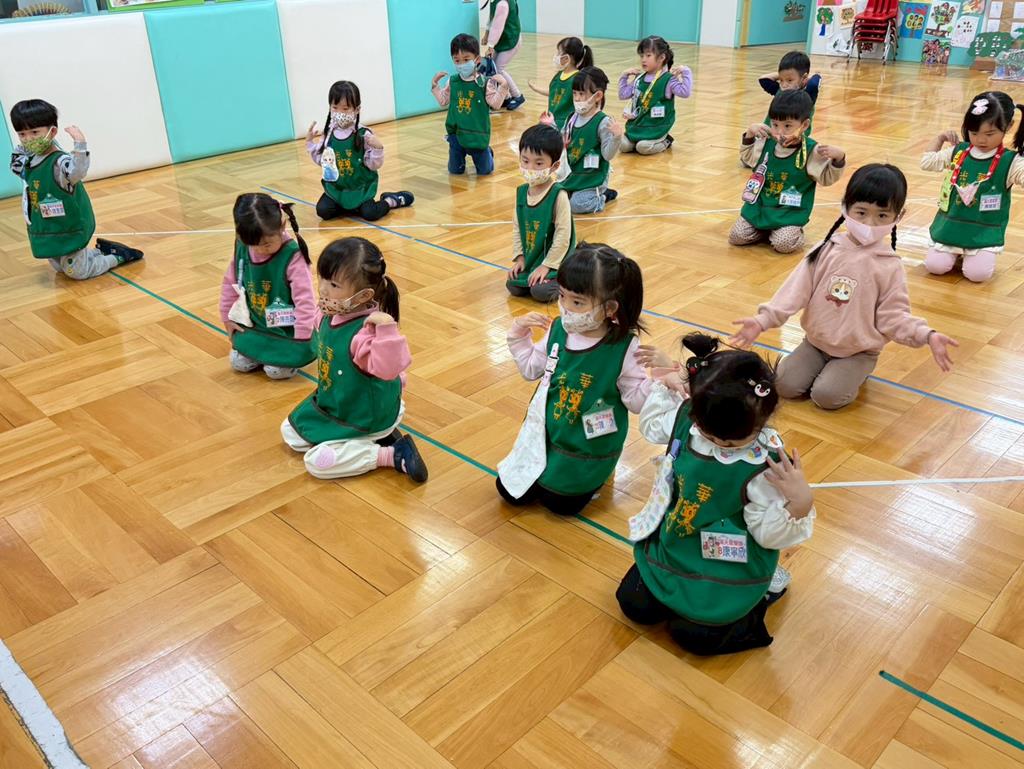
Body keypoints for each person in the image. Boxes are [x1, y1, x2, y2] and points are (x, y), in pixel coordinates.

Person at [619, 333, 815, 656]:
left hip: (728, 561)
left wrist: (799, 504)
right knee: (633, 603)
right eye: (709, 435)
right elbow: (652, 427)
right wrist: (666, 384)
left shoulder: (766, 463)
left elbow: (767, 535)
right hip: (678, 542)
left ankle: (764, 591)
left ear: (762, 421)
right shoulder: (692, 417)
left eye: (732, 442)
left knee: (695, 637)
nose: (719, 445)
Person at [730, 164, 958, 410]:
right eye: (861, 212)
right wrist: (763, 320)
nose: (869, 222)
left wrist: (926, 335)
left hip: (858, 352)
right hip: (815, 344)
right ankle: (827, 369)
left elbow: (894, 317)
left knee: (826, 396)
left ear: (898, 216)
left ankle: (857, 371)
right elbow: (794, 292)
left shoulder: (889, 265)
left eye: (882, 216)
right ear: (845, 207)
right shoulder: (826, 249)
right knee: (784, 385)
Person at [497, 243, 649, 515]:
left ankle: (597, 474)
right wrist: (518, 334)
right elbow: (531, 369)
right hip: (547, 437)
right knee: (509, 492)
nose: (565, 307)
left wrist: (656, 383)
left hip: (588, 446)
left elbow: (636, 402)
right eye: (562, 296)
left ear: (610, 308)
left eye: (577, 302)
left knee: (560, 505)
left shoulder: (624, 347)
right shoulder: (558, 330)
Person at [281, 237, 427, 482]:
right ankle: (364, 442)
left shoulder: (365, 332)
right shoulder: (328, 312)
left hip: (365, 415)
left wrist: (387, 329)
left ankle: (392, 454)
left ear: (363, 296)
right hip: (338, 403)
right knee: (290, 433)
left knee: (317, 463)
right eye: (322, 278)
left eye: (334, 284)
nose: (323, 289)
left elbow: (390, 370)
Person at [9, 99, 143, 279]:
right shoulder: (29, 161)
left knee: (77, 272)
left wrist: (79, 144)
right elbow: (16, 167)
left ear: (52, 132)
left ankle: (119, 256)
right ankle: (98, 253)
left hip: (69, 225)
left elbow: (78, 171)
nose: (28, 139)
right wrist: (23, 150)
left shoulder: (60, 162)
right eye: (22, 134)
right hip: (47, 225)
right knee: (59, 267)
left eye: (34, 132)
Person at [921, 90, 1024, 283]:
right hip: (950, 226)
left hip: (984, 231)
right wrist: (940, 138)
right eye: (974, 133)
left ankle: (970, 253)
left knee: (977, 275)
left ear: (1009, 126)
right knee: (935, 267)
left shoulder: (1011, 161)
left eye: (990, 134)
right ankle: (956, 251)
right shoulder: (959, 151)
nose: (981, 140)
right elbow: (927, 163)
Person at [730, 90, 846, 254]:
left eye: (787, 126)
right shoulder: (766, 142)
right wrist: (749, 134)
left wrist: (839, 159)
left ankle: (789, 232)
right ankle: (765, 231)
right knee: (737, 236)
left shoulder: (811, 151)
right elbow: (748, 158)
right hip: (760, 208)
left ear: (804, 125)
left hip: (790, 212)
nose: (780, 132)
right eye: (775, 124)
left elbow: (826, 178)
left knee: (783, 244)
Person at [221, 193, 316, 379]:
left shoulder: (293, 256)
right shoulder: (243, 246)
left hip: (286, 330)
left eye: (266, 244)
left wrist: (301, 339)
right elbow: (229, 283)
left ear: (282, 226)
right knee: (238, 363)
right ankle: (262, 351)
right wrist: (227, 318)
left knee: (276, 372)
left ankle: (278, 356)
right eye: (253, 245)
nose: (259, 250)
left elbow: (305, 301)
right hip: (257, 324)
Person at [307, 80, 413, 222]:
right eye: (335, 107)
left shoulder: (364, 134)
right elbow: (322, 162)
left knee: (370, 213)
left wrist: (378, 148)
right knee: (323, 211)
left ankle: (391, 200)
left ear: (356, 109)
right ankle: (349, 207)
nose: (339, 113)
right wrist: (310, 143)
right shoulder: (328, 134)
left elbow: (374, 165)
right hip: (337, 189)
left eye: (345, 109)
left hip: (361, 189)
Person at [507, 124, 576, 302]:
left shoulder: (558, 194)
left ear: (554, 166)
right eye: (525, 161)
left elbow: (563, 235)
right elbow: (517, 228)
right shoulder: (521, 192)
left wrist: (547, 266)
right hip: (533, 258)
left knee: (540, 291)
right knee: (513, 285)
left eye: (539, 163)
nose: (530, 168)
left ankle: (565, 281)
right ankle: (534, 272)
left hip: (556, 260)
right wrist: (520, 258)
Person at [432, 34, 510, 175]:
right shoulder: (453, 81)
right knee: (455, 170)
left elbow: (496, 104)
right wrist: (435, 86)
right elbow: (443, 101)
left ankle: (487, 152)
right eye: (457, 60)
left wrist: (503, 86)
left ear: (477, 60)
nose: (461, 64)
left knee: (485, 171)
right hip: (456, 134)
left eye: (466, 59)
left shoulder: (485, 83)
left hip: (478, 135)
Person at [556, 67, 623, 215]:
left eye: (581, 94)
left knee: (577, 205)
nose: (577, 98)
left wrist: (617, 137)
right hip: (573, 174)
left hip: (592, 178)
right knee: (553, 199)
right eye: (575, 93)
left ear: (597, 96)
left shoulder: (603, 122)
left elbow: (607, 155)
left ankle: (603, 196)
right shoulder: (571, 118)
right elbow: (562, 142)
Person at [619, 36, 692, 156]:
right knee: (623, 146)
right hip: (637, 125)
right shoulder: (639, 78)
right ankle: (639, 140)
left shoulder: (668, 79)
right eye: (642, 56)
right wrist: (624, 76)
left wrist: (686, 72)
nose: (643, 60)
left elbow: (685, 93)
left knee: (642, 147)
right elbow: (623, 95)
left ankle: (666, 141)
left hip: (657, 126)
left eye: (648, 55)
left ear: (662, 57)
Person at [530, 36, 594, 130]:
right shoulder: (559, 75)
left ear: (566, 58)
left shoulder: (577, 78)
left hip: (565, 124)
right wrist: (536, 88)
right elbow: (554, 93)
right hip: (551, 120)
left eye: (559, 53)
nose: (556, 56)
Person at [758, 51, 821, 134]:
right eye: (781, 80)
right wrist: (784, 75)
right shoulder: (780, 91)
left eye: (790, 80)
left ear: (804, 78)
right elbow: (763, 79)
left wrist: (812, 76)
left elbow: (814, 83)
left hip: (794, 139)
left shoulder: (807, 96)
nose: (784, 85)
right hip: (771, 136)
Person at [483, 0, 525, 110]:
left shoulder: (502, 4)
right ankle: (506, 97)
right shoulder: (495, 2)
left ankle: (517, 96)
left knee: (499, 69)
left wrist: (490, 46)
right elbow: (491, 19)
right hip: (502, 39)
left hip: (511, 40)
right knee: (493, 69)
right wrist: (486, 35)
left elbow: (497, 27)